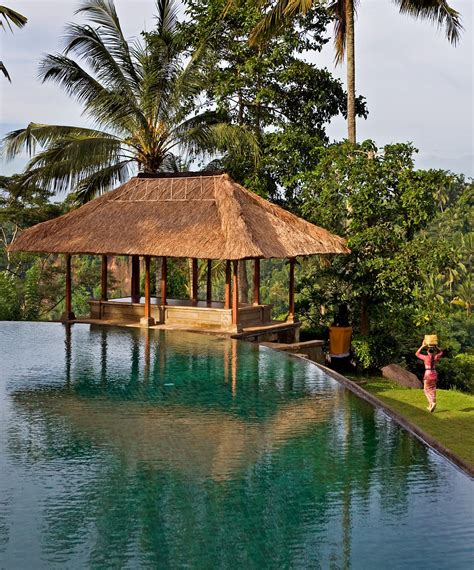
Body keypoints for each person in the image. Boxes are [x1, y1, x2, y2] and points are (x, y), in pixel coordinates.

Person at [416, 343, 443, 412]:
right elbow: (441, 352)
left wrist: (422, 346)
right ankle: (430, 406)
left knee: (426, 389)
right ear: (434, 352)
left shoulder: (426, 357)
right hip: (434, 374)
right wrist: (436, 347)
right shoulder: (436, 357)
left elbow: (417, 353)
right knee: (433, 389)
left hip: (428, 374)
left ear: (428, 352)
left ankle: (432, 403)